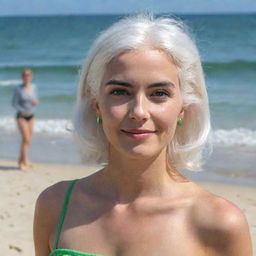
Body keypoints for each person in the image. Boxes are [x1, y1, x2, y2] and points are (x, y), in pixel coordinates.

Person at [33, 15, 253, 256]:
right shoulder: (55, 205)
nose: (138, 111)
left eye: (159, 93)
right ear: (96, 104)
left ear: (183, 107)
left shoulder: (220, 223)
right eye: (119, 91)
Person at [12, 68, 39, 170]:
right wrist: (22, 110)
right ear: (22, 77)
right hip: (21, 116)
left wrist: (36, 102)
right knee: (26, 139)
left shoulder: (34, 87)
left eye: (28, 75)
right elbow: (14, 103)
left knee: (28, 140)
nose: (26, 77)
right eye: (24, 75)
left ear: (31, 77)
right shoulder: (19, 89)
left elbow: (35, 99)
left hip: (31, 116)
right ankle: (22, 163)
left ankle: (23, 159)